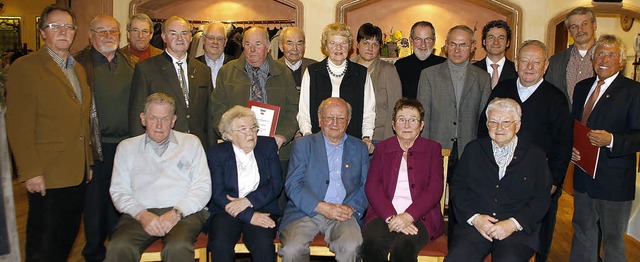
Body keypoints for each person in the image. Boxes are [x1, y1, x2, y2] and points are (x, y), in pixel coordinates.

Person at [6, 5, 92, 261]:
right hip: (47, 172)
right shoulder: (27, 67)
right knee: (43, 243)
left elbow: (81, 119)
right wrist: (31, 171)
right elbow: (19, 125)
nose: (63, 31)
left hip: (75, 170)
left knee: (66, 237)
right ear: (43, 32)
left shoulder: (76, 68)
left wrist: (87, 161)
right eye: (56, 26)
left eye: (68, 27)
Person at [477, 40, 572, 262]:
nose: (529, 67)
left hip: (541, 178)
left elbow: (563, 143)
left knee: (539, 229)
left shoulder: (556, 98)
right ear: (516, 63)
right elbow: (484, 127)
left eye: (536, 62)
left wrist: (555, 181)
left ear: (545, 65)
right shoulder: (503, 89)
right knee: (502, 229)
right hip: (501, 174)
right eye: (525, 61)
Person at [106, 93, 211, 261]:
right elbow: (119, 191)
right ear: (143, 119)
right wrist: (142, 215)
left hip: (183, 213)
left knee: (178, 247)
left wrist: (177, 213)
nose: (159, 125)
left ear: (174, 120)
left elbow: (203, 187)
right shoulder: (126, 148)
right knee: (119, 246)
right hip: (139, 214)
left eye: (165, 119)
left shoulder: (191, 143)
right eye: (153, 118)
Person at [447, 98, 552, 262]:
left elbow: (541, 199)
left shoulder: (535, 156)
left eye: (506, 122)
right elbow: (458, 189)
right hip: (476, 227)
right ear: (487, 125)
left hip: (517, 231)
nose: (499, 128)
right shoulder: (473, 150)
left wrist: (512, 224)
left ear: (517, 125)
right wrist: (476, 219)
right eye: (494, 122)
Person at [569, 34, 640, 262]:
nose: (604, 59)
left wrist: (611, 140)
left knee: (612, 239)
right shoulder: (581, 88)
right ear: (592, 59)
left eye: (611, 55)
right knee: (582, 232)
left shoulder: (634, 91)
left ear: (621, 61)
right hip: (583, 176)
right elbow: (574, 125)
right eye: (599, 53)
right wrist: (571, 147)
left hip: (614, 182)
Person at [73, 14, 134, 262]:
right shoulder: (78, 65)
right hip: (95, 147)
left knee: (120, 203)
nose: (108, 36)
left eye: (113, 32)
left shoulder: (130, 63)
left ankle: (118, 252)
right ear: (90, 35)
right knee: (95, 206)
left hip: (126, 147)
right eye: (102, 31)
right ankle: (95, 254)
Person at [279, 97, 369, 262]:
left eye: (341, 118)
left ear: (348, 121)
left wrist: (352, 207)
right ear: (320, 119)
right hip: (305, 211)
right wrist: (320, 207)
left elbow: (366, 186)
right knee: (292, 250)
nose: (335, 123)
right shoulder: (304, 145)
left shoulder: (360, 148)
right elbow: (293, 184)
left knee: (352, 246)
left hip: (344, 213)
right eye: (329, 117)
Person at [362, 98, 444, 261]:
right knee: (371, 241)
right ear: (393, 124)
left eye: (413, 120)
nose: (407, 125)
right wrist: (391, 217)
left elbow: (435, 188)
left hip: (421, 215)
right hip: (383, 213)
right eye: (401, 119)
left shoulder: (432, 149)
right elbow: (372, 186)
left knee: (404, 245)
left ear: (421, 125)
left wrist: (408, 216)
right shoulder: (382, 148)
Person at [212, 26, 299, 165]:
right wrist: (230, 136)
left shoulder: (283, 72)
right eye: (248, 44)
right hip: (237, 152)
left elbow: (293, 109)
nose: (252, 50)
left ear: (268, 46)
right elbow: (217, 110)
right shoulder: (227, 72)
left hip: (276, 151)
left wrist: (283, 136)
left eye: (258, 44)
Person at [207, 106, 283, 262]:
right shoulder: (217, 153)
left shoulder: (268, 146)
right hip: (226, 209)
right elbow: (218, 193)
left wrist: (249, 201)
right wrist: (249, 215)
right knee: (220, 244)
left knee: (262, 244)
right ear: (228, 135)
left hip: (262, 206)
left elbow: (276, 184)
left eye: (253, 128)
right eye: (243, 129)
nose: (251, 133)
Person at [129, 16, 214, 147]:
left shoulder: (203, 70)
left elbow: (209, 115)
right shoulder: (146, 69)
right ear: (164, 37)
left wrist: (211, 149)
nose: (180, 38)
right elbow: (137, 115)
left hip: (197, 146)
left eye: (184, 33)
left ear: (191, 37)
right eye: (173, 33)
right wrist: (140, 150)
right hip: (161, 146)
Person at [297, 22, 376, 153]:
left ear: (349, 46)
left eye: (343, 43)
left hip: (352, 143)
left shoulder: (361, 73)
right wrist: (308, 135)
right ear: (325, 46)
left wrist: (367, 137)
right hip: (318, 145)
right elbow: (304, 110)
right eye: (333, 43)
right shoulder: (312, 72)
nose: (338, 48)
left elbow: (369, 111)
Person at [353, 23, 402, 142]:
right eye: (366, 43)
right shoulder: (347, 69)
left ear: (380, 47)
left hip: (379, 138)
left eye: (375, 44)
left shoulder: (388, 70)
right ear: (357, 44)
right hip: (351, 136)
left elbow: (395, 108)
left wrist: (388, 141)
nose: (370, 49)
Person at [546, 7, 597, 105]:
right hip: (563, 118)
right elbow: (548, 94)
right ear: (569, 32)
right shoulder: (555, 61)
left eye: (585, 24)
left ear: (594, 25)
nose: (580, 29)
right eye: (574, 26)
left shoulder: (606, 60)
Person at [395, 21, 446, 99]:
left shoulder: (444, 65)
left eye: (428, 39)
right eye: (418, 39)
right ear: (411, 41)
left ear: (434, 41)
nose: (423, 44)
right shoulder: (399, 66)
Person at [472, 20, 517, 88]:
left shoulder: (516, 71)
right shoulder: (472, 70)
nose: (496, 42)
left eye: (501, 38)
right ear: (484, 41)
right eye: (491, 37)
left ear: (508, 43)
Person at [196, 22, 237, 89]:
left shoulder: (236, 66)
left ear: (225, 42)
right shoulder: (193, 66)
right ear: (203, 40)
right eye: (211, 38)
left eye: (220, 38)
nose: (215, 42)